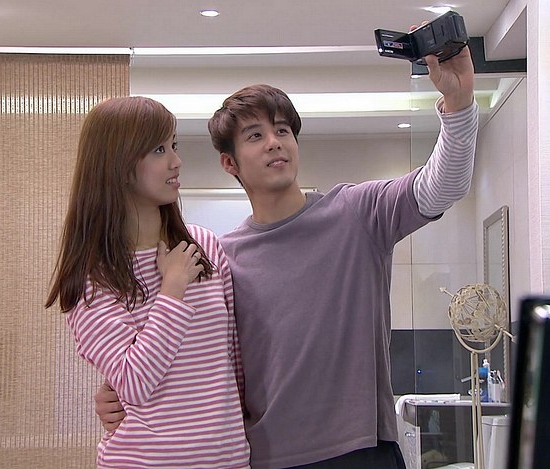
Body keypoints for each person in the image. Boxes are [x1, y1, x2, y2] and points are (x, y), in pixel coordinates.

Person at [96, 30, 478, 468]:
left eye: (282, 130)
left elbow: (443, 185)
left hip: (361, 450)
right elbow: (193, 354)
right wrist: (116, 393)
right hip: (266, 456)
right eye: (255, 135)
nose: (274, 141)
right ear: (229, 163)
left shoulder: (357, 212)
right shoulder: (220, 256)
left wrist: (459, 103)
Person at [45, 96, 250, 468]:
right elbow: (136, 384)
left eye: (174, 146)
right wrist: (172, 290)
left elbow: (234, 364)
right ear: (119, 165)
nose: (176, 161)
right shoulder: (93, 279)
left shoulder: (204, 246)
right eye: (159, 149)